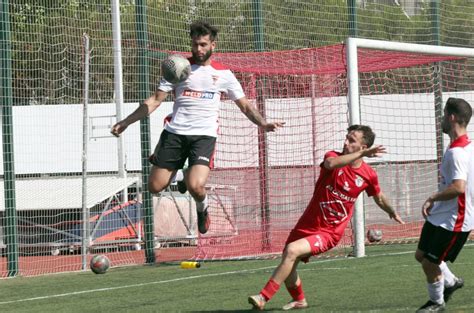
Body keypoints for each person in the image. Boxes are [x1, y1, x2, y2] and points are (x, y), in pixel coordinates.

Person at [110, 21, 284, 235]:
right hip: (174, 134)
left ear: (213, 45)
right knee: (154, 187)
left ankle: (203, 209)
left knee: (196, 186)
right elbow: (155, 100)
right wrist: (125, 122)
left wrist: (263, 123)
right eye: (195, 45)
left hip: (204, 137)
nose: (198, 49)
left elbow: (246, 105)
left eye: (203, 44)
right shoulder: (178, 68)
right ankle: (181, 170)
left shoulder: (225, 75)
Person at [248, 124, 405, 311]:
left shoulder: (368, 175)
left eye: (351, 140)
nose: (345, 142)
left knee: (291, 251)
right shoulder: (332, 156)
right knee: (288, 263)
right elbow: (330, 165)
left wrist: (391, 211)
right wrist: (361, 155)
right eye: (346, 138)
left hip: (329, 233)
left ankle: (263, 297)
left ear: (364, 147)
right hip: (307, 223)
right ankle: (300, 300)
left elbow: (378, 196)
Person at [415, 98, 473, 313]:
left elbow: (458, 187)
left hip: (454, 220)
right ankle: (451, 282)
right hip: (442, 214)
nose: (441, 119)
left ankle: (436, 303)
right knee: (421, 256)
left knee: (429, 263)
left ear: (451, 117)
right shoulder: (463, 146)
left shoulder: (457, 152)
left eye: (444, 114)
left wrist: (432, 198)